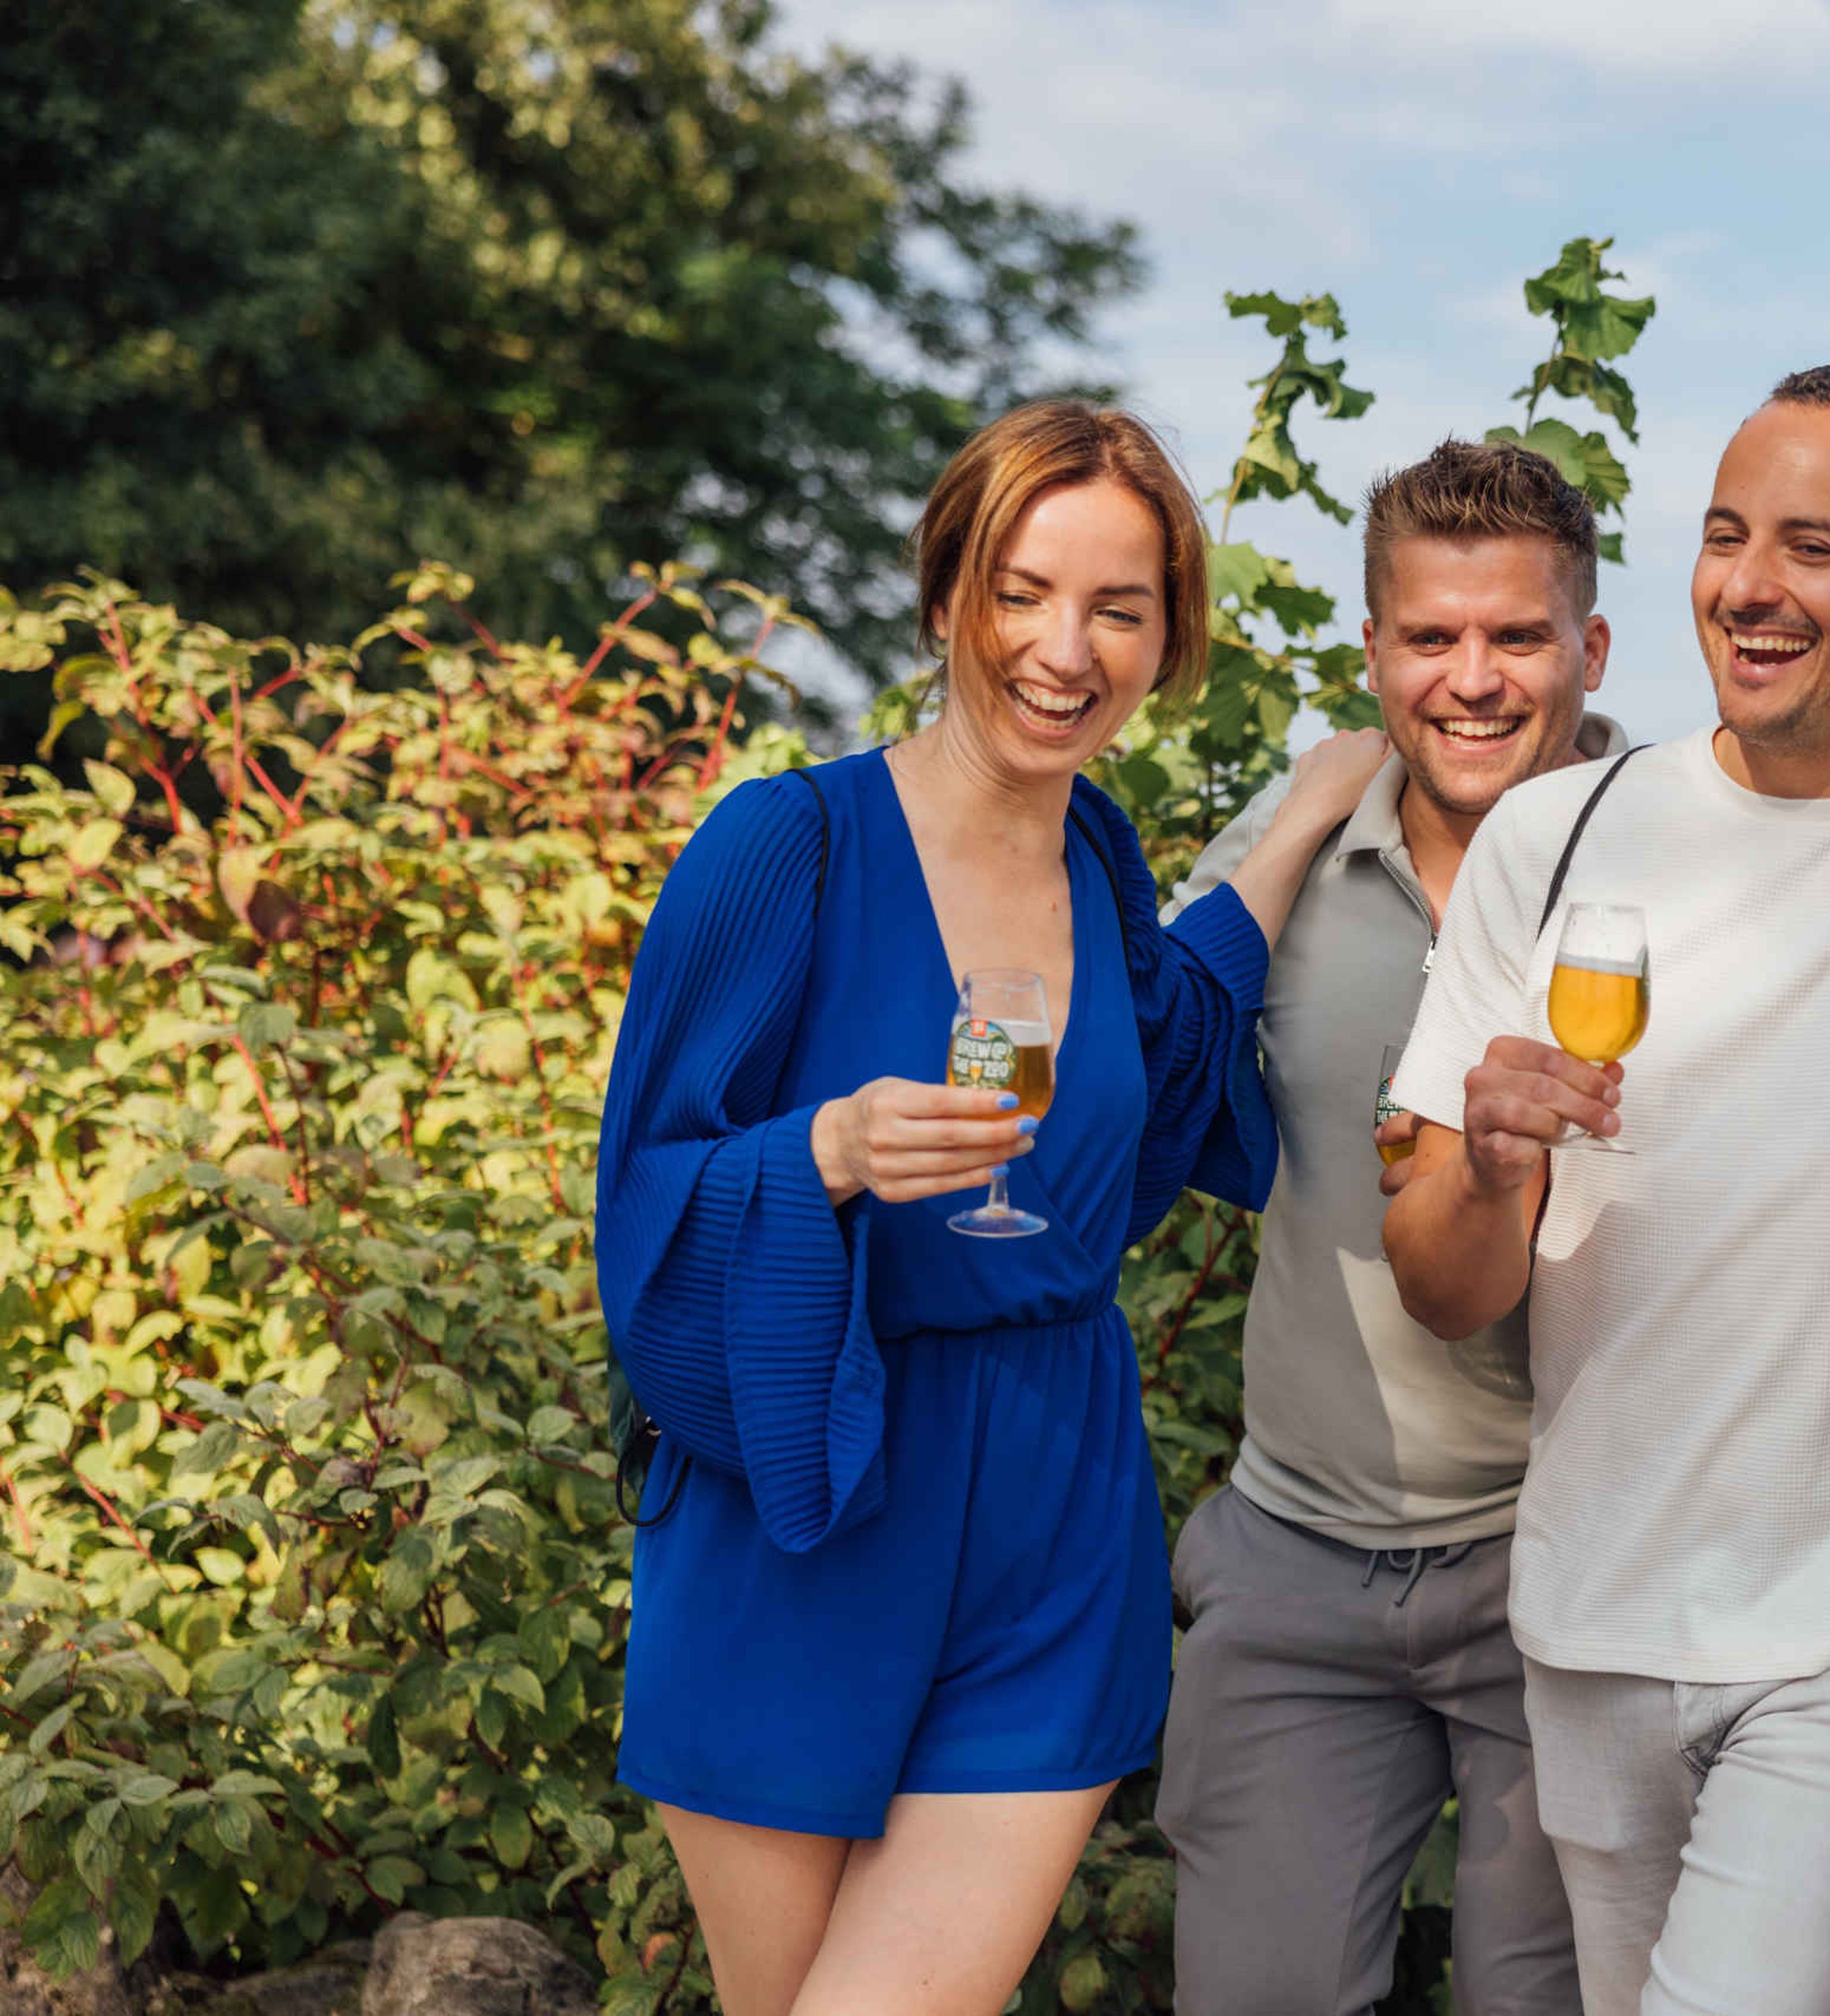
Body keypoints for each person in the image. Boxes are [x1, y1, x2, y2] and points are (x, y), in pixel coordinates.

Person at [595, 401, 1386, 2016]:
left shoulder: (1100, 851)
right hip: (804, 1510)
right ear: (950, 594)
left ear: (1170, 640)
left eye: (1120, 606)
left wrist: (1305, 816)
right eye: (1023, 591)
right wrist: (821, 1154)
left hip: (1049, 1513)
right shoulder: (784, 848)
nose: (1064, 648)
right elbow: (643, 1204)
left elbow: (1161, 1065)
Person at [1381, 365, 1830, 2015]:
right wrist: (1488, 1168)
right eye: (1722, 538)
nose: (1749, 587)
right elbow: (1444, 1284)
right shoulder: (1556, 837)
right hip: (1594, 1617)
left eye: (1811, 547)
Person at [1156, 438, 1626, 2014]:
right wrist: (1297, 818)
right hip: (1298, 1562)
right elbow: (1141, 1098)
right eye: (1430, 638)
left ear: (1591, 650)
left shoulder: (1673, 869)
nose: (1472, 680)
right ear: (1375, 653)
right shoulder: (1290, 854)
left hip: (1576, 1569)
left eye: (1517, 637)